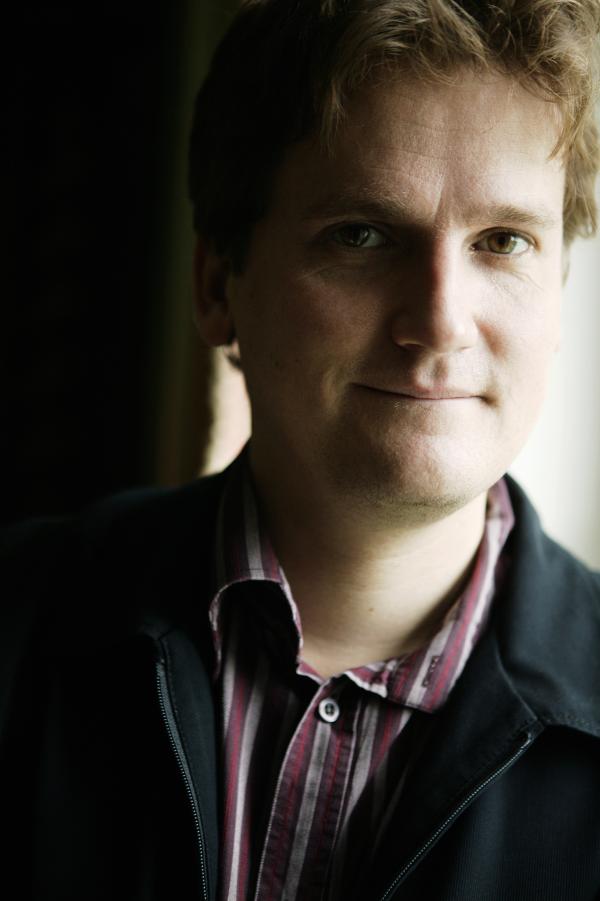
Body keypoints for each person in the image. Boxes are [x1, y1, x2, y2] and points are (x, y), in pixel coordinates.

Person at [2, 1, 600, 899]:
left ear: (556, 297)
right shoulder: (16, 624)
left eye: (503, 241)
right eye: (362, 235)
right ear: (217, 284)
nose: (441, 321)